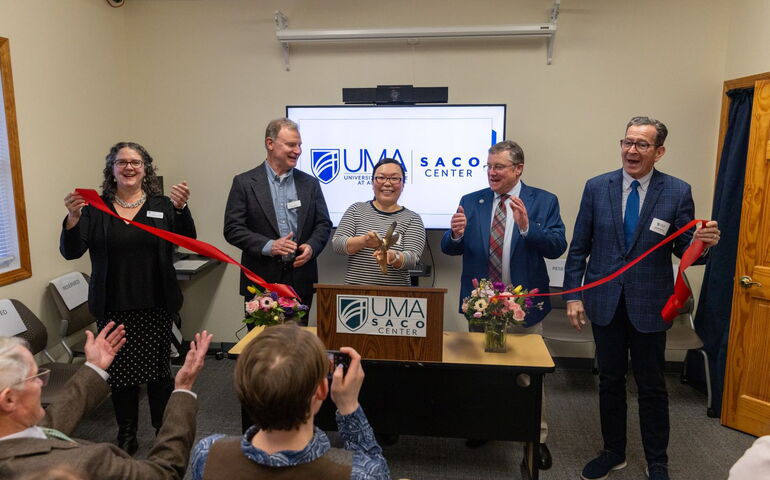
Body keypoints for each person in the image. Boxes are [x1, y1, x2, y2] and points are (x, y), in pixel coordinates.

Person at [563, 116, 721, 480]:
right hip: (604, 301)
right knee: (610, 380)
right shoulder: (597, 187)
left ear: (659, 152)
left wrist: (704, 244)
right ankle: (612, 451)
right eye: (627, 142)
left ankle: (657, 461)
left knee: (651, 385)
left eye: (641, 144)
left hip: (650, 304)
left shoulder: (677, 191)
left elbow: (685, 249)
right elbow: (579, 247)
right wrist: (574, 295)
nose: (631, 150)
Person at [60, 141, 196, 454]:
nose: (129, 167)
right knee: (120, 375)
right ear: (112, 169)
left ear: (146, 169)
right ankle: (127, 433)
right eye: (121, 162)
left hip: (156, 303)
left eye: (136, 162)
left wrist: (181, 209)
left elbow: (188, 239)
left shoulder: (163, 205)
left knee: (159, 374)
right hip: (114, 306)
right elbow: (71, 251)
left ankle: (162, 430)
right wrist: (72, 218)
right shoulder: (95, 209)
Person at [440, 139, 566, 466]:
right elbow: (451, 247)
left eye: (499, 167)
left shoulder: (543, 201)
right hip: (481, 306)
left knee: (528, 376)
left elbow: (557, 246)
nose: (491, 173)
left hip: (524, 305)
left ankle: (536, 437)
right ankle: (485, 426)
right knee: (483, 373)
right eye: (489, 166)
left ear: (518, 168)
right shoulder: (472, 200)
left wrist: (527, 228)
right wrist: (455, 234)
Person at [0, 323, 213, 480]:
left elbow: (47, 427)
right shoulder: (85, 464)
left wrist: (94, 367)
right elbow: (163, 474)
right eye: (35, 377)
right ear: (9, 399)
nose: (41, 384)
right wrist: (183, 389)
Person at [190, 324, 389, 480]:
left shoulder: (208, 453)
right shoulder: (360, 473)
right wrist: (349, 406)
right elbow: (374, 468)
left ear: (244, 388)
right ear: (321, 390)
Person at [224, 118, 332, 316]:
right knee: (262, 337)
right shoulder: (244, 183)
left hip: (300, 279)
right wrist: (269, 246)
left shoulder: (310, 183)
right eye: (291, 145)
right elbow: (233, 229)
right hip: (260, 282)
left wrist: (311, 247)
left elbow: (323, 224)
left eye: (299, 145)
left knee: (298, 336)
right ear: (270, 143)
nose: (298, 151)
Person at [332, 158, 426, 286]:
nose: (387, 183)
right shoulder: (356, 210)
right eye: (381, 178)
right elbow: (337, 244)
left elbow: (413, 259)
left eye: (394, 178)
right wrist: (364, 241)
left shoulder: (413, 219)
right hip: (355, 294)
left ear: (403, 184)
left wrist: (394, 256)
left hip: (395, 295)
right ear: (372, 182)